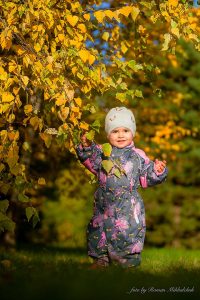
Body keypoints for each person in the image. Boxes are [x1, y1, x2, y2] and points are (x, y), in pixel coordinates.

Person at [76, 107, 168, 269]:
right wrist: (86, 146)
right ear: (107, 134)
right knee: (99, 230)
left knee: (127, 233)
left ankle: (127, 264)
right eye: (115, 131)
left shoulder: (137, 155)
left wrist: (157, 170)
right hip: (104, 203)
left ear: (132, 132)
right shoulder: (103, 152)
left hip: (128, 206)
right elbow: (89, 158)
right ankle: (101, 261)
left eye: (125, 130)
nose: (120, 135)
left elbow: (147, 174)